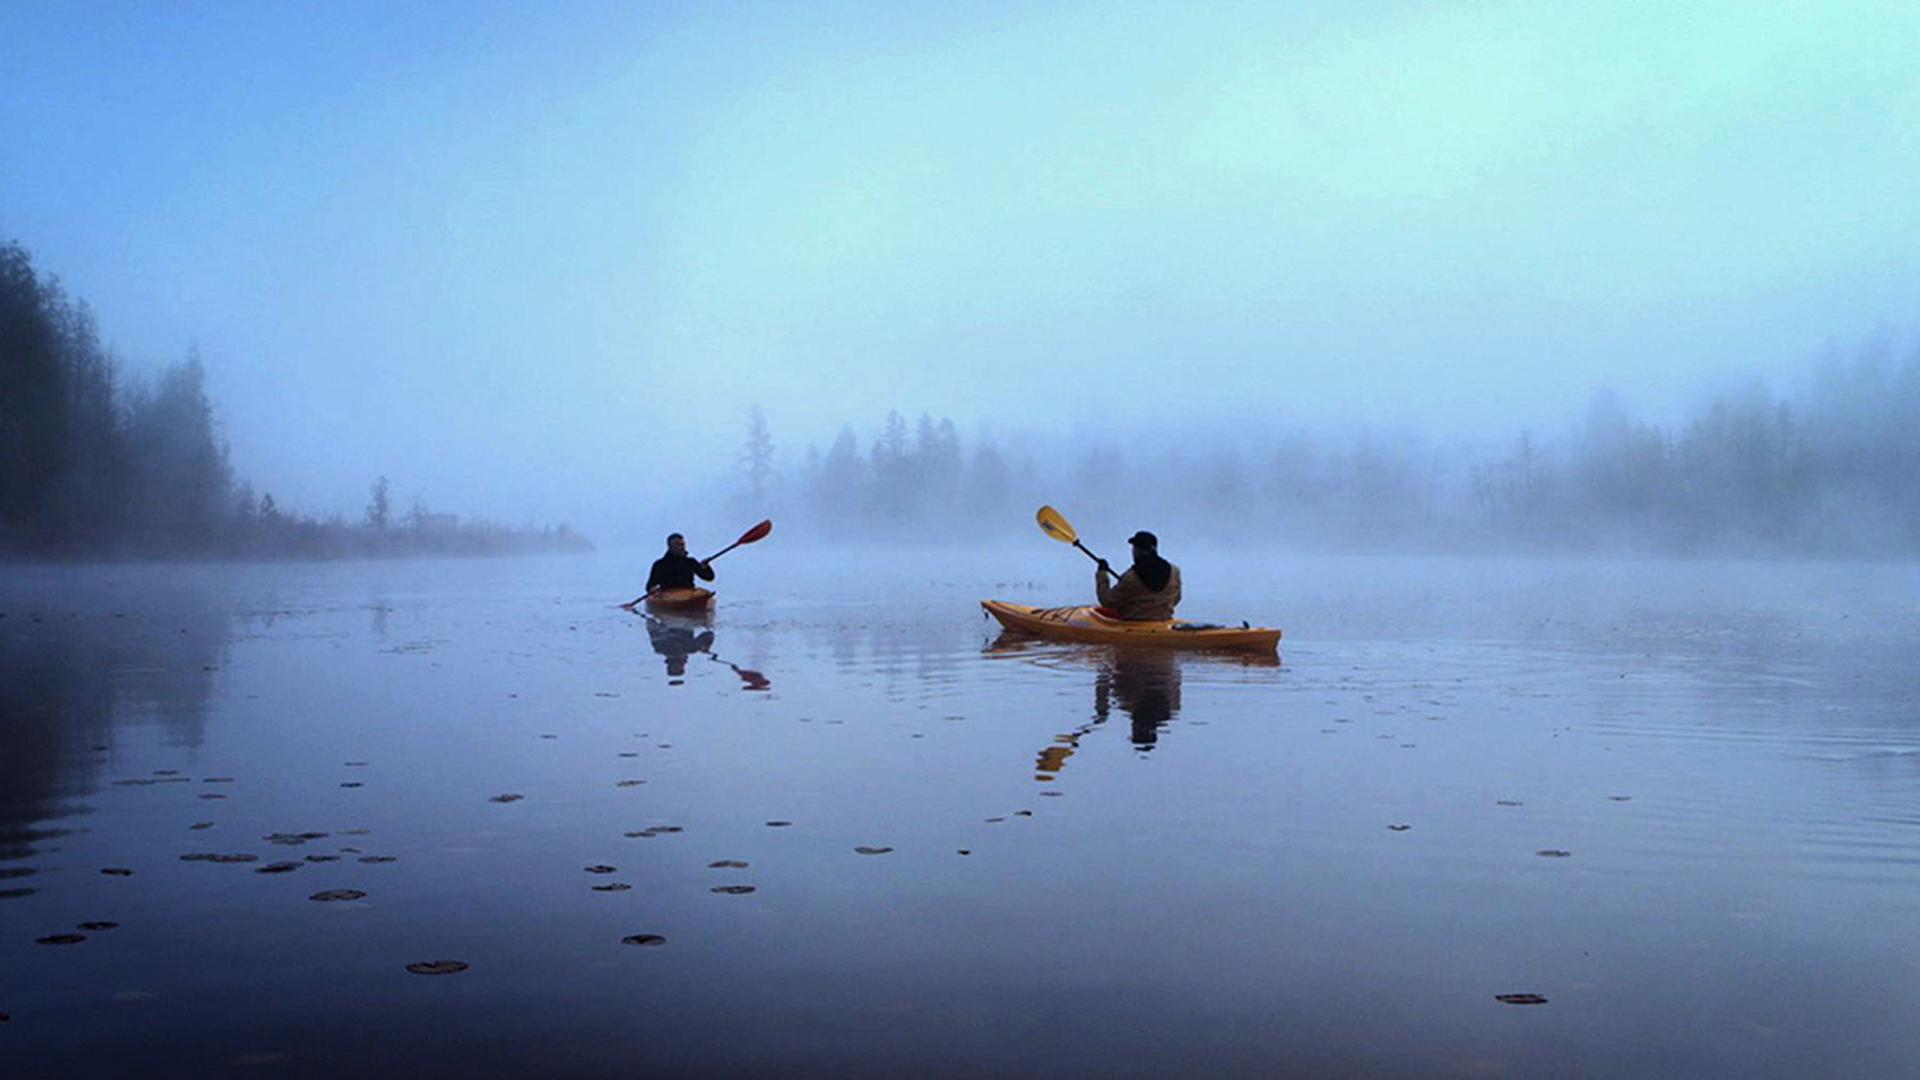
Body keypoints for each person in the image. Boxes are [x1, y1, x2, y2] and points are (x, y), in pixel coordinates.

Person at [1095, 530, 1181, 620]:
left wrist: (1102, 573)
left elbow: (1107, 601)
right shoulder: (1174, 572)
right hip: (1164, 622)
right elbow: (1176, 599)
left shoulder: (1131, 577)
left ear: (1137, 551)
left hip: (1135, 624)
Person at [647, 533, 715, 594]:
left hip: (688, 593)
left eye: (683, 544)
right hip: (668, 595)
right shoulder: (660, 564)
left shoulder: (690, 562)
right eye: (678, 545)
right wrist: (652, 589)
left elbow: (709, 577)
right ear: (670, 547)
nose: (682, 547)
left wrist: (706, 567)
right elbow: (650, 586)